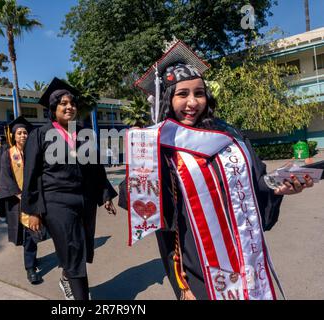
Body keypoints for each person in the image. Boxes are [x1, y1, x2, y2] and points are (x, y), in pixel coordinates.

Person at [119, 40, 314, 300]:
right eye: (182, 94)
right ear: (167, 99)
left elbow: (257, 183)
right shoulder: (159, 145)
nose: (192, 102)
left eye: (199, 93)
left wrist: (281, 186)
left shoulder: (228, 135)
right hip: (196, 261)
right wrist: (141, 162)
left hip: (243, 251)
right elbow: (150, 213)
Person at [21, 77, 118, 300]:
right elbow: (31, 175)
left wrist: (105, 195)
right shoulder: (40, 135)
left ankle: (66, 278)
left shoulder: (84, 134)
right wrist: (33, 210)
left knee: (80, 248)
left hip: (83, 200)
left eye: (72, 103)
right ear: (53, 109)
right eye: (63, 103)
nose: (69, 107)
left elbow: (95, 169)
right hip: (56, 201)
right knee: (73, 249)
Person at [0, 116, 42, 285]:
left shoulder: (35, 153)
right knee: (28, 235)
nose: (23, 135)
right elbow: (7, 179)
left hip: (36, 199)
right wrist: (21, 196)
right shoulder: (7, 155)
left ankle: (33, 259)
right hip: (19, 203)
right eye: (19, 133)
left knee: (37, 232)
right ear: (13, 136)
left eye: (25, 132)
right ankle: (30, 268)